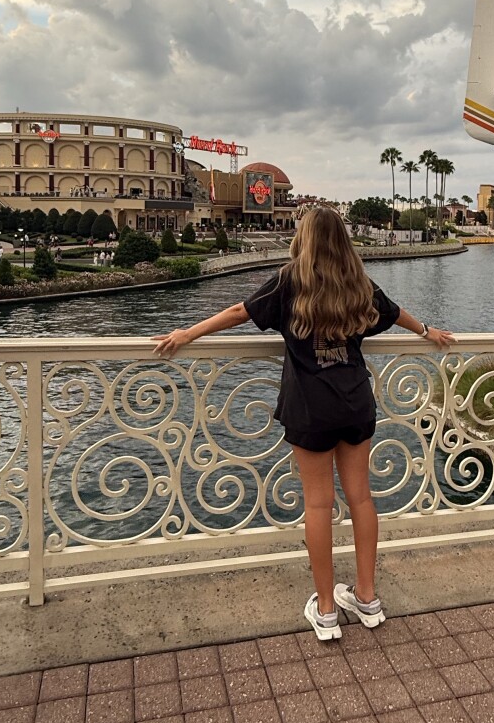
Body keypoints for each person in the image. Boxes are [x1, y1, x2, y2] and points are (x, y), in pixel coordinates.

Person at [153, 206, 453, 642]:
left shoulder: (290, 279)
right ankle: (367, 598)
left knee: (318, 505)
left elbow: (239, 312)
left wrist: (187, 334)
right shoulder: (357, 281)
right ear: (344, 239)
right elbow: (394, 312)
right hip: (355, 402)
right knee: (361, 499)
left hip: (311, 409)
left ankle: (327, 610)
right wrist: (427, 331)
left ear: (304, 237)